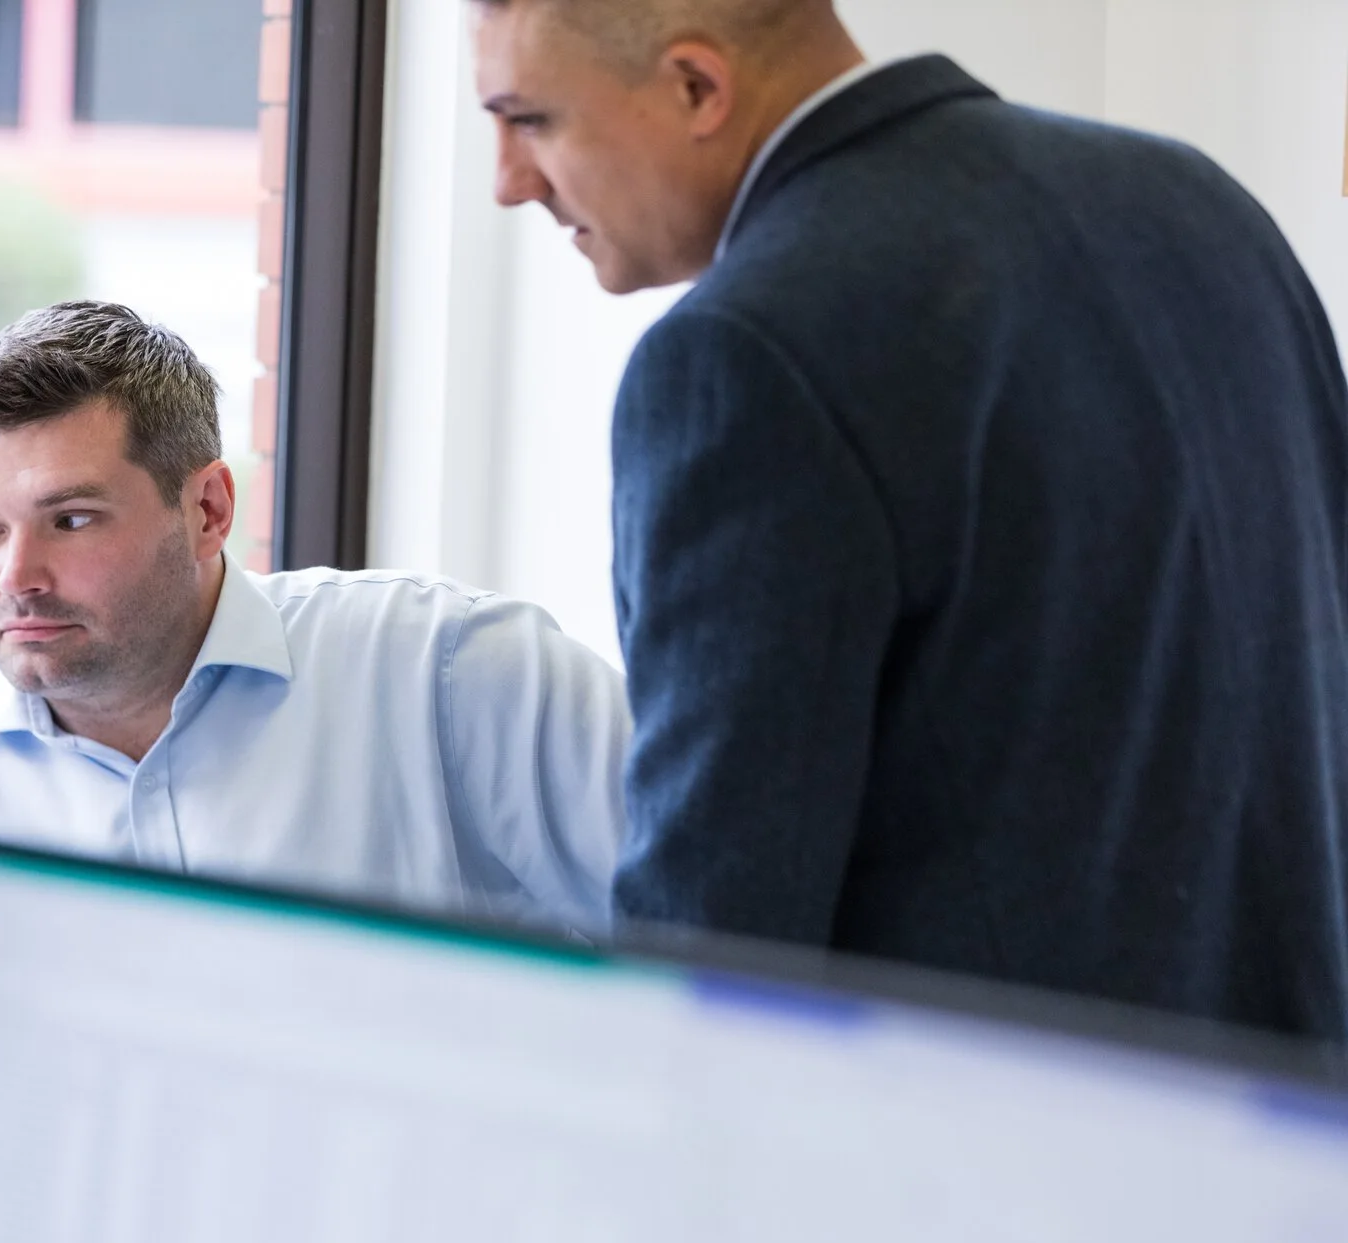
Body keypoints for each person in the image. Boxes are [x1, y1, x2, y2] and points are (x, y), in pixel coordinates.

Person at [473, 0, 1348, 1039]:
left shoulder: (744, 353)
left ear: (696, 88)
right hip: (1296, 1136)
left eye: (530, 120)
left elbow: (713, 943)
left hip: (987, 1163)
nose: (508, 181)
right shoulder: (1202, 203)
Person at [0, 301, 628, 933]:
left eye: (71, 520)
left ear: (209, 510)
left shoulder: (451, 678)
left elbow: (730, 935)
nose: (16, 576)